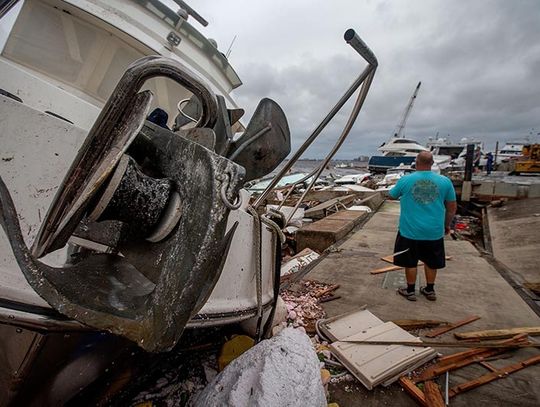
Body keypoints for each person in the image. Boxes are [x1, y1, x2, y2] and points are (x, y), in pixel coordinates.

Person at [388, 151, 457, 301]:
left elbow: (391, 195)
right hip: (434, 231)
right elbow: (452, 208)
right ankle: (430, 290)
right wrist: (446, 225)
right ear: (432, 164)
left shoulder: (406, 180)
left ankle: (410, 291)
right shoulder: (445, 181)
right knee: (431, 262)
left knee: (410, 262)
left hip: (409, 231)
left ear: (416, 162)